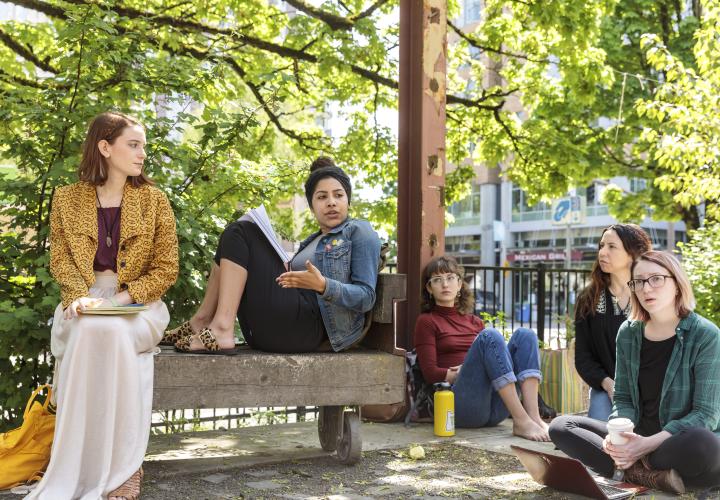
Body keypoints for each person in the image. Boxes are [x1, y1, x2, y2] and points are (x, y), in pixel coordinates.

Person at [28, 112, 179, 499]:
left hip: (141, 303)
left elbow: (166, 269)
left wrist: (123, 299)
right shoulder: (67, 198)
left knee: (109, 328)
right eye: (134, 144)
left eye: (143, 145)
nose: (142, 153)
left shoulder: (154, 200)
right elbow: (61, 259)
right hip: (83, 297)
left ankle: (126, 467)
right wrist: (80, 297)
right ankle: (77, 463)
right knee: (90, 327)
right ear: (105, 147)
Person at [164, 156, 381, 354]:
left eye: (338, 195)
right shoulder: (310, 241)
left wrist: (323, 285)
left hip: (310, 330)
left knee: (240, 233)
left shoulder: (359, 231)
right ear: (313, 207)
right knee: (236, 233)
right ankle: (203, 320)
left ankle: (219, 327)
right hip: (275, 327)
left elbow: (366, 297)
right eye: (322, 197)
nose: (331, 202)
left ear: (348, 201)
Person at [550, 251, 720, 493]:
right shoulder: (628, 333)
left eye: (656, 279)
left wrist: (646, 445)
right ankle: (651, 475)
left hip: (675, 442)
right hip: (638, 435)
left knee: (703, 444)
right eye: (638, 281)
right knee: (561, 426)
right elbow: (623, 398)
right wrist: (618, 435)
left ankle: (630, 469)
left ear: (677, 284)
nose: (646, 288)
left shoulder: (705, 334)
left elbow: (705, 414)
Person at [414, 256, 550, 441]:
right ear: (429, 288)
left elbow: (493, 359)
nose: (445, 284)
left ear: (460, 284)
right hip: (460, 406)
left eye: (450, 278)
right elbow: (429, 372)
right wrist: (461, 372)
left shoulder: (475, 322)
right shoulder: (427, 321)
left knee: (525, 335)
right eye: (437, 280)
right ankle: (521, 420)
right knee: (490, 336)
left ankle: (533, 417)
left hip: (495, 410)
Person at [575, 224, 651, 421]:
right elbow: (583, 357)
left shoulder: (650, 292)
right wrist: (608, 384)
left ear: (632, 253)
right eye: (601, 245)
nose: (603, 252)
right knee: (600, 437)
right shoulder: (589, 299)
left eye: (611, 246)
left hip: (652, 389)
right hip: (608, 388)